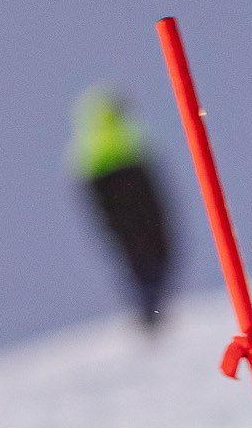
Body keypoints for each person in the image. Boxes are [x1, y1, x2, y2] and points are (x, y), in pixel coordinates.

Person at [69, 86, 174, 329]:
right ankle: (150, 310)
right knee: (150, 254)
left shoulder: (88, 146)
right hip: (128, 185)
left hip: (118, 192)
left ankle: (150, 309)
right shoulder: (120, 139)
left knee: (139, 257)